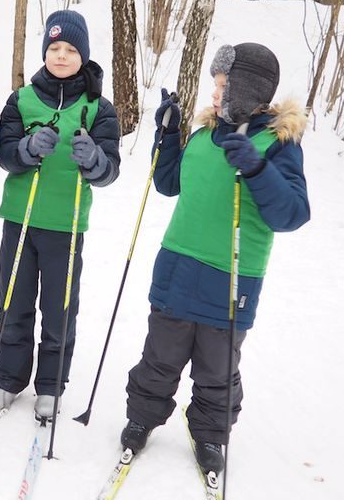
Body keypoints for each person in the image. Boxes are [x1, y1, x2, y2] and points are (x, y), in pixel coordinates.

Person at [121, 43, 310, 473]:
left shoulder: (277, 143)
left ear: (247, 89)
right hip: (177, 266)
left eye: (223, 85)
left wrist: (258, 169)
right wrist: (168, 135)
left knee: (217, 368)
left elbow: (293, 214)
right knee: (159, 356)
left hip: (232, 278)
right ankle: (142, 417)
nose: (215, 94)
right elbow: (168, 183)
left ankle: (209, 434)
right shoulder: (204, 134)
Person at [0, 10, 120, 420]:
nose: (61, 56)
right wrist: (26, 149)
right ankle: (10, 378)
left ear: (84, 55)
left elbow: (110, 170)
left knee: (59, 309)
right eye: (55, 48)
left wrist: (94, 159)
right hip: (21, 220)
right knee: (14, 302)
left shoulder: (98, 108)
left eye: (71, 50)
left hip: (65, 224)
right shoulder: (22, 99)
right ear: (45, 52)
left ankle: (50, 384)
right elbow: (4, 154)